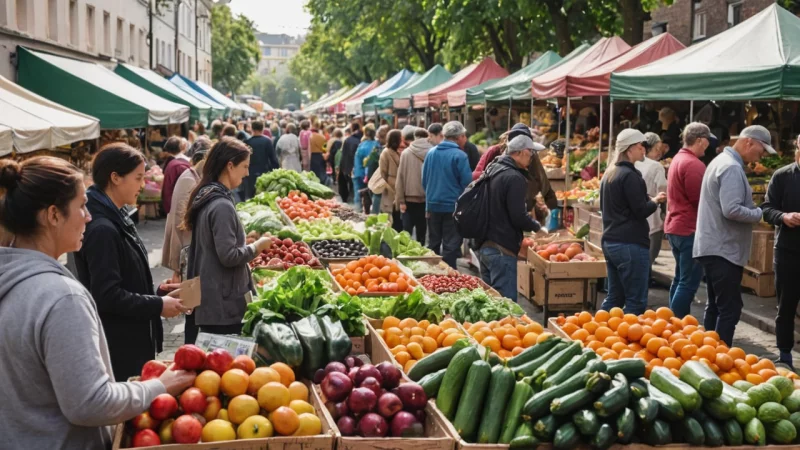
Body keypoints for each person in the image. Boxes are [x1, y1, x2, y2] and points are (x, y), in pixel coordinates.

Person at [0, 157, 196, 449]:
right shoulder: (61, 297)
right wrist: (159, 386)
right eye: (81, 206)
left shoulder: (12, 278)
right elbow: (91, 404)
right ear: (53, 215)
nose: (88, 216)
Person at [76, 144, 189, 381]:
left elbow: (122, 278)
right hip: (120, 344)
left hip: (131, 337)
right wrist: (157, 305)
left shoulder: (116, 217)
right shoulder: (103, 229)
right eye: (138, 178)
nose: (142, 185)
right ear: (115, 178)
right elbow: (107, 295)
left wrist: (158, 292)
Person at [183, 138, 273, 336]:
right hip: (222, 304)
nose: (247, 173)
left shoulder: (208, 194)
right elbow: (229, 256)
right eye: (244, 166)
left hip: (211, 297)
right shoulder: (221, 204)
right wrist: (258, 246)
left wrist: (242, 240)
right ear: (230, 166)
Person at [694, 125, 774, 346]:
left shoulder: (721, 162)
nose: (763, 155)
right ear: (748, 142)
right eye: (762, 149)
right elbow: (732, 210)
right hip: (723, 248)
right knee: (730, 308)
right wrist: (759, 213)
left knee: (716, 305)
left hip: (713, 246)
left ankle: (707, 352)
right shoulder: (730, 167)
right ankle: (719, 356)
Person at [599, 129, 667, 315]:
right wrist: (654, 201)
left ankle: (596, 333)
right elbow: (640, 210)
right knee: (635, 302)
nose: (643, 150)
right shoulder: (630, 176)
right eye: (639, 147)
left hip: (611, 241)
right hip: (630, 244)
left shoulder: (610, 173)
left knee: (615, 297)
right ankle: (629, 342)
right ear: (629, 149)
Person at [477, 135, 542, 299]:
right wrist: (536, 226)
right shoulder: (514, 177)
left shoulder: (494, 168)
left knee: (491, 305)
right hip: (501, 250)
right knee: (506, 309)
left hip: (485, 246)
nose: (532, 157)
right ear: (520, 153)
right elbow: (518, 216)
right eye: (531, 152)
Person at [664, 123, 710, 318]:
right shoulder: (693, 164)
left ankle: (669, 322)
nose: (708, 145)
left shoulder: (678, 158)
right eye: (707, 141)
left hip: (675, 226)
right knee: (688, 283)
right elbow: (700, 199)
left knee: (680, 279)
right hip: (688, 229)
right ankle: (677, 327)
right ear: (699, 140)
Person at [762, 141, 800, 368]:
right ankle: (784, 355)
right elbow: (766, 209)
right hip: (788, 252)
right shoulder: (782, 176)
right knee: (785, 306)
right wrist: (784, 217)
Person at [473, 124, 556, 222]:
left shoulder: (531, 155)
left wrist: (552, 205)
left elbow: (541, 180)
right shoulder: (495, 151)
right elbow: (476, 176)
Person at [422, 121, 472, 268]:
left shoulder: (431, 153)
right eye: (464, 136)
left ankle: (431, 274)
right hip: (452, 206)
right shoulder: (460, 155)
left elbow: (424, 180)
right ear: (460, 136)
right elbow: (467, 183)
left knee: (434, 243)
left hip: (432, 205)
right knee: (450, 245)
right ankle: (449, 275)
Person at [162, 137, 211, 280]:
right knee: (183, 284)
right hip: (185, 246)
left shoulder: (192, 176)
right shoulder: (189, 179)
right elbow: (185, 221)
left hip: (186, 247)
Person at [635, 132, 668, 277]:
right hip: (652, 217)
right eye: (657, 149)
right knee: (648, 257)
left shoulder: (633, 162)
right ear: (648, 149)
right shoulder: (656, 167)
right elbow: (663, 191)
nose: (659, 153)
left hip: (635, 217)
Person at [396, 128, 432, 244]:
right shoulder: (432, 152)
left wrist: (401, 200)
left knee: (407, 232)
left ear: (415, 138)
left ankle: (406, 255)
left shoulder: (405, 153)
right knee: (422, 231)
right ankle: (420, 254)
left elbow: (400, 178)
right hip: (426, 199)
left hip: (408, 198)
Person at [243, 120, 279, 200]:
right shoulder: (267, 141)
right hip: (264, 172)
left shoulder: (247, 142)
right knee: (263, 196)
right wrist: (276, 171)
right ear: (262, 129)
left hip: (250, 173)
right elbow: (273, 159)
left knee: (251, 197)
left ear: (252, 129)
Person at [379, 129, 404, 231]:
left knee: (397, 213)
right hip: (390, 186)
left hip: (397, 185)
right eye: (400, 138)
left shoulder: (397, 151)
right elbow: (382, 172)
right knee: (392, 213)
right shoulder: (386, 153)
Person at [161, 136, 191, 215]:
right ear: (182, 147)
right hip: (179, 204)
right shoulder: (182, 164)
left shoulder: (171, 163)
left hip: (172, 202)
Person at [354, 126, 378, 206]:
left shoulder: (361, 145)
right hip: (371, 175)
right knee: (371, 197)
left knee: (358, 196)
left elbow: (358, 161)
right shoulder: (376, 145)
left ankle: (356, 213)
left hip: (358, 173)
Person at [339, 123, 362, 203]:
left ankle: (351, 202)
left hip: (347, 168)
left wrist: (342, 168)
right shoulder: (360, 140)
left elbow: (344, 156)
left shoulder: (348, 140)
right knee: (355, 188)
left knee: (351, 187)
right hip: (356, 168)